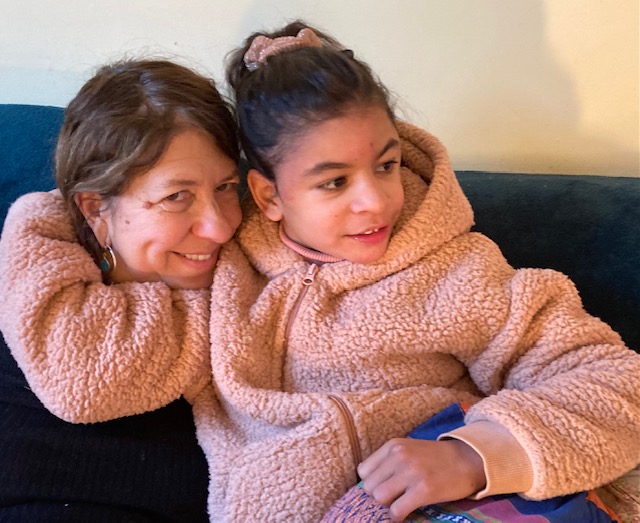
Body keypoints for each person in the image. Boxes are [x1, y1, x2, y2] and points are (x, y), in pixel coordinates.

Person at [192, 20, 638, 521]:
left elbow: (622, 386)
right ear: (268, 195)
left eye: (386, 166)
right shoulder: (218, 264)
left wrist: (474, 454)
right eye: (335, 182)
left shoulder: (458, 271)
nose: (377, 201)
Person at [0, 58, 242, 521]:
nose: (219, 227)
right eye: (176, 196)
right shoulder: (28, 308)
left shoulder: (267, 295)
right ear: (95, 209)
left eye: (226, 186)